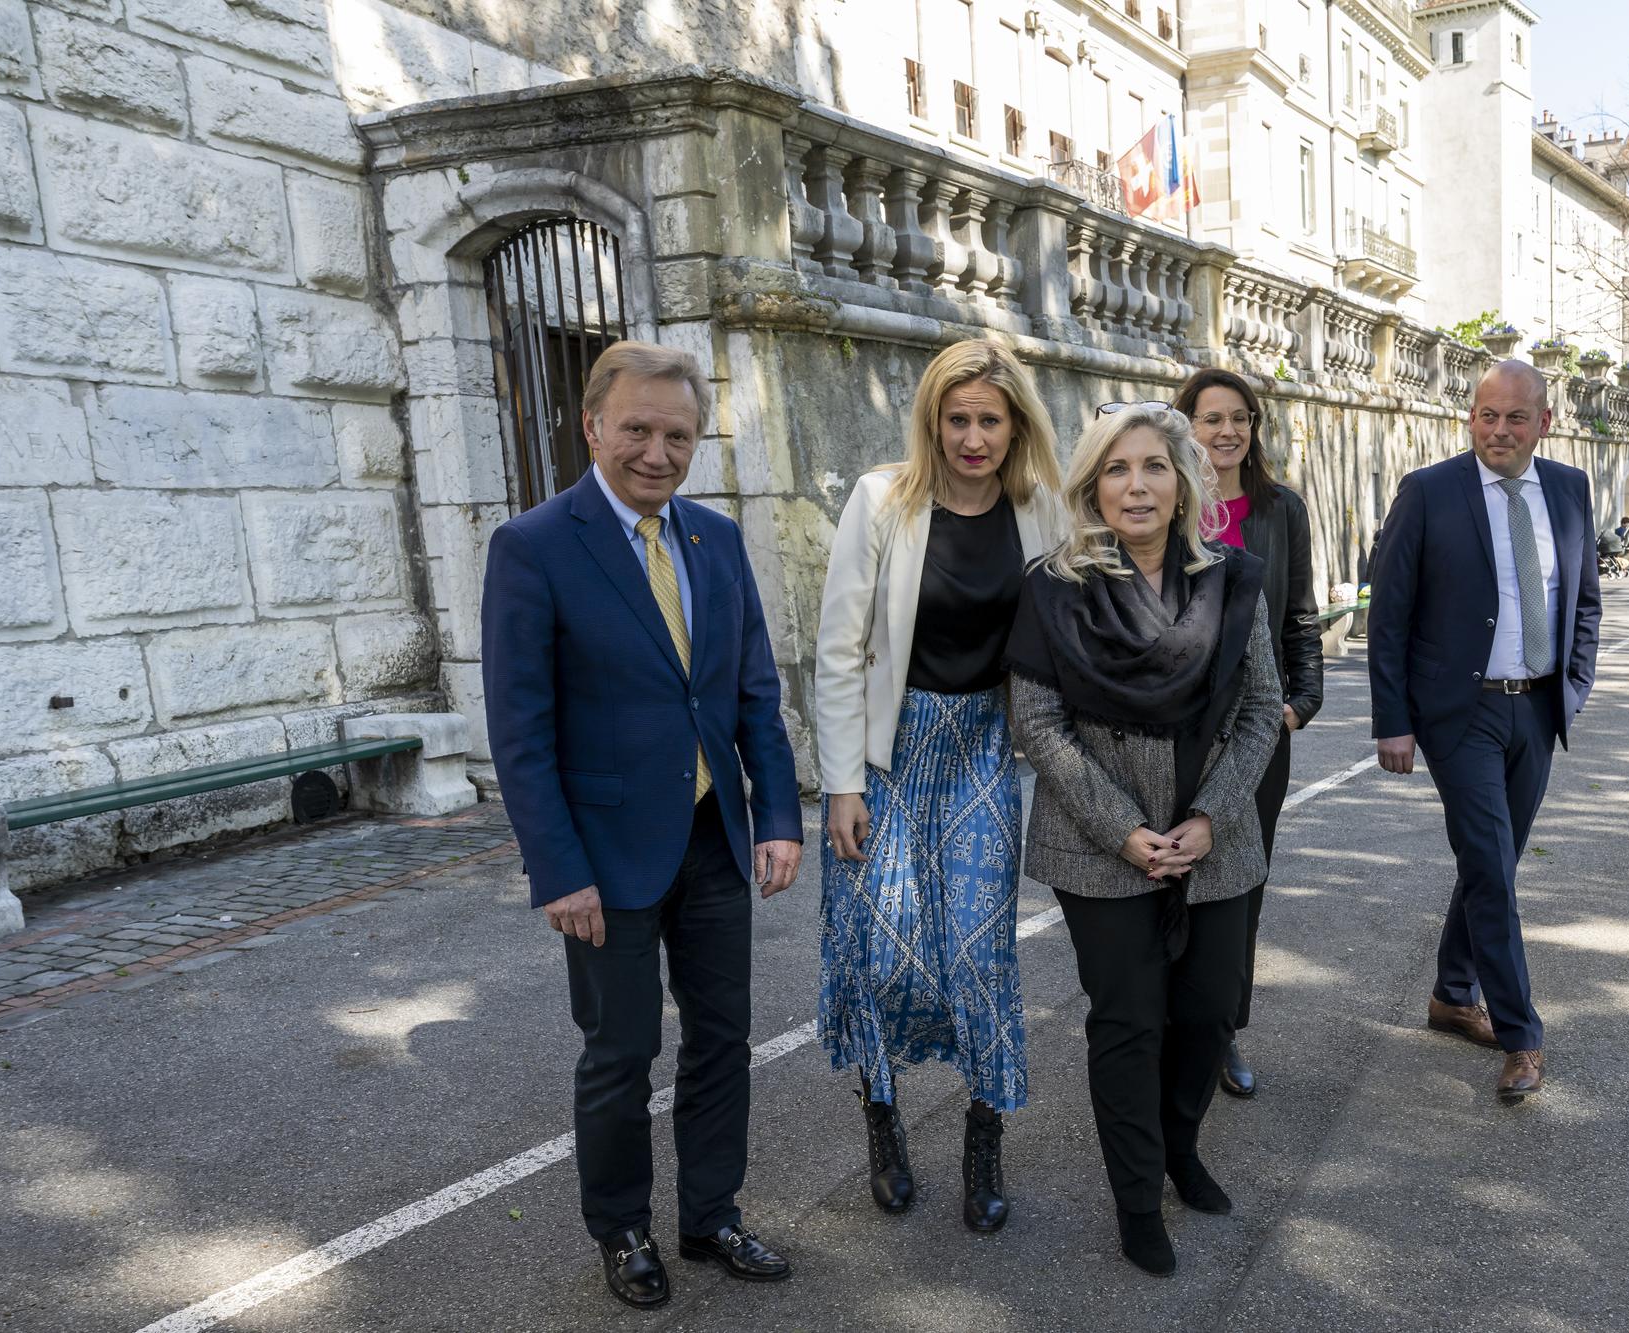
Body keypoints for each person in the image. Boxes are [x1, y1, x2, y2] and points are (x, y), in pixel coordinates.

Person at [481, 341, 804, 1311]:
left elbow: (753, 691)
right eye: (636, 430)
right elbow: (520, 730)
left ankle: (711, 1214)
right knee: (620, 1053)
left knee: (723, 1039)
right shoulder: (535, 545)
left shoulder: (715, 539)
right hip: (604, 857)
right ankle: (621, 1229)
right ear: (592, 428)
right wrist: (557, 869)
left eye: (678, 435)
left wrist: (776, 814)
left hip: (712, 838)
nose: (657, 454)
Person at [1007, 403, 1284, 1276]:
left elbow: (1260, 711)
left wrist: (1210, 818)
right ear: (1093, 486)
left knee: (1208, 1009)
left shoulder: (1232, 580)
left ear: (1183, 482)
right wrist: (1125, 829)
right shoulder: (1054, 586)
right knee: (1128, 1021)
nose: (1136, 486)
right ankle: (1136, 1197)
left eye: (1154, 467)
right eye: (1117, 469)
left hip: (1214, 836)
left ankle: (1180, 1147)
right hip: (1100, 844)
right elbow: (1039, 725)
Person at [812, 340, 1064, 1231]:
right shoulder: (883, 500)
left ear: (1015, 425)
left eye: (989, 420)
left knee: (979, 954)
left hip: (983, 751)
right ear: (932, 420)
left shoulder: (1042, 510)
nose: (972, 437)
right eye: (956, 419)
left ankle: (983, 1140)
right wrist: (842, 784)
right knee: (880, 955)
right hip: (889, 753)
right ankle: (882, 1118)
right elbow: (840, 649)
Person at [1368, 361, 1602, 1102]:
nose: (1498, 430)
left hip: (1537, 708)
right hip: (1458, 713)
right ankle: (1522, 1034)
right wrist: (1393, 721)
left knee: (1490, 862)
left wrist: (1572, 687)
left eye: (1514, 418)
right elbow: (1388, 614)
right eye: (1485, 415)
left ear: (1544, 422)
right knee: (1494, 869)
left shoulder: (1569, 489)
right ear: (1470, 416)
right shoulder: (1428, 491)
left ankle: (1450, 992)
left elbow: (1583, 599)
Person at [1172, 367, 1322, 1099]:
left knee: (1241, 887)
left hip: (1259, 732)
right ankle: (1167, 1022)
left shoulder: (1280, 509)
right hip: (1173, 732)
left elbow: (1301, 615)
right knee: (1169, 878)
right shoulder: (1165, 501)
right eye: (1212, 419)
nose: (1228, 431)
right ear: (1187, 427)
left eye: (1240, 418)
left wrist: (1301, 703)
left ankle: (1223, 1028)